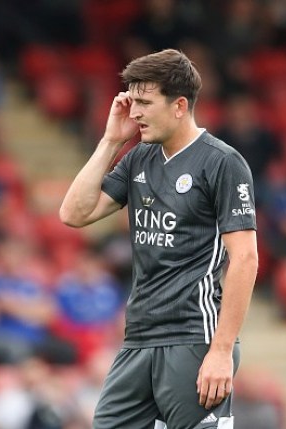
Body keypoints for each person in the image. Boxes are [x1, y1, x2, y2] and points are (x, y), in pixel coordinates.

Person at [59, 49, 258, 429]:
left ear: (179, 106)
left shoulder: (222, 162)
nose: (134, 113)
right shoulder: (139, 157)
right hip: (138, 338)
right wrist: (111, 141)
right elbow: (74, 213)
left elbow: (245, 259)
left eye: (145, 103)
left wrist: (220, 351)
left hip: (193, 336)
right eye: (132, 101)